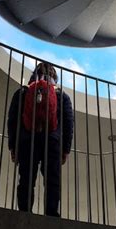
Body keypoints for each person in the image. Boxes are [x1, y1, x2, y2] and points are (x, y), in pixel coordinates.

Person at [7, 62, 73, 217]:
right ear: (55, 77)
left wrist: (13, 146)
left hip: (27, 140)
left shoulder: (23, 92)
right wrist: (65, 149)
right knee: (52, 179)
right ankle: (51, 214)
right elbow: (68, 123)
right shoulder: (61, 95)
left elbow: (12, 119)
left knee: (27, 177)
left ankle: (24, 212)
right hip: (53, 141)